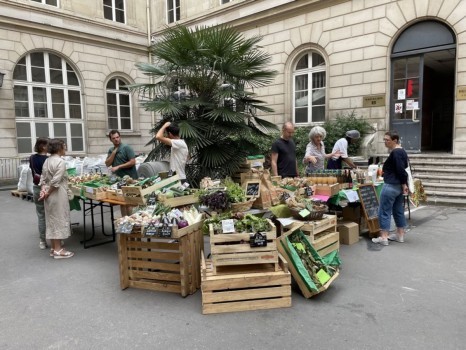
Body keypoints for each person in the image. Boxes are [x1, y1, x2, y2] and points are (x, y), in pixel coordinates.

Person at [372, 131, 409, 246]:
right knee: (398, 210)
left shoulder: (396, 152)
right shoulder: (402, 151)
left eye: (387, 140)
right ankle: (400, 235)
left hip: (391, 185)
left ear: (395, 140)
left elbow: (400, 169)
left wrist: (403, 183)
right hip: (398, 186)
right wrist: (403, 184)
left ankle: (384, 237)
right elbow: (405, 167)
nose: (385, 142)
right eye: (384, 140)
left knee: (384, 210)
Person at [39, 139, 74, 259]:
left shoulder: (47, 161)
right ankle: (58, 250)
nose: (65, 149)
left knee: (52, 220)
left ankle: (54, 248)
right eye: (64, 147)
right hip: (57, 194)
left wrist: (44, 191)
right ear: (59, 148)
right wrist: (47, 192)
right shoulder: (60, 162)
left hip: (49, 194)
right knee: (58, 219)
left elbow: (43, 178)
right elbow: (55, 182)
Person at [30, 137, 49, 250]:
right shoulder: (48, 159)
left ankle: (42, 241)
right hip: (47, 188)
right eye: (48, 145)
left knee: (41, 215)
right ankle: (57, 240)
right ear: (43, 146)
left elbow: (33, 172)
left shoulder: (32, 158)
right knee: (51, 215)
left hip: (37, 188)